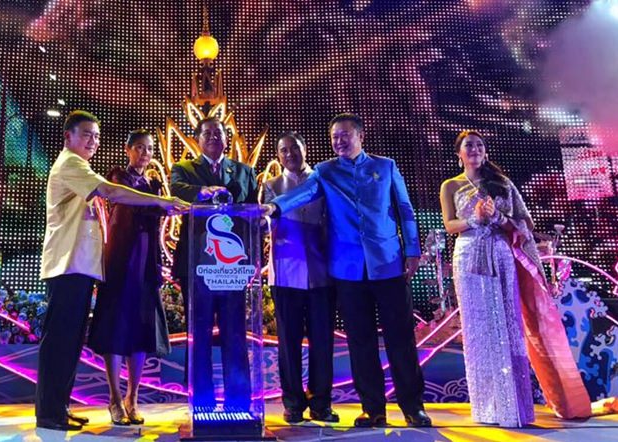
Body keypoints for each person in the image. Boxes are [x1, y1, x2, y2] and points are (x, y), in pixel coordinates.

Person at [264, 113, 431, 428]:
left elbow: (405, 209)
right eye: (334, 137)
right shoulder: (325, 171)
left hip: (388, 264)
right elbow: (304, 193)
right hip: (347, 270)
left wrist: (412, 250)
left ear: (360, 136)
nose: (339, 141)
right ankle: (373, 409)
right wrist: (275, 207)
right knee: (360, 341)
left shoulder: (385, 166)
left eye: (344, 135)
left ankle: (413, 407)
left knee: (400, 338)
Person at [37, 111, 189, 431]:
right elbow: (113, 192)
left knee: (71, 342)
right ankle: (49, 414)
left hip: (81, 266)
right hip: (68, 265)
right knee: (60, 341)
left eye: (96, 136)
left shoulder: (81, 167)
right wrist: (161, 202)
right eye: (86, 134)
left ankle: (58, 408)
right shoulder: (71, 164)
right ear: (68, 136)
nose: (93, 141)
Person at [439, 130, 592, 427]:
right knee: (477, 329)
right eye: (468, 145)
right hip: (469, 258)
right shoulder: (451, 185)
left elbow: (526, 224)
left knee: (508, 325)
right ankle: (487, 409)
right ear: (459, 153)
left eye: (480, 145)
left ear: (486, 152)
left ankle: (515, 408)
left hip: (500, 254)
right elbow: (449, 225)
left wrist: (498, 217)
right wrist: (475, 219)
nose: (474, 149)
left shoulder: (502, 183)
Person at [170, 116, 258, 411]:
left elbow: (252, 218)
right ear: (197, 139)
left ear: (226, 138)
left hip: (232, 269)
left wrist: (252, 261)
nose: (213, 137)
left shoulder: (245, 172)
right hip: (197, 267)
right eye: (206, 133)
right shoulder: (183, 170)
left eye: (218, 133)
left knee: (235, 334)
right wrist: (203, 192)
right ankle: (201, 402)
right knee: (200, 336)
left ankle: (239, 403)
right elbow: (176, 191)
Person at [87, 129, 171, 425]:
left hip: (147, 265)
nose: (145, 153)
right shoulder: (117, 178)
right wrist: (161, 203)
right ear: (127, 150)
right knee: (115, 330)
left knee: (140, 332)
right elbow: (133, 202)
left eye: (149, 149)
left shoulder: (154, 185)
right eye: (139, 147)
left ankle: (132, 399)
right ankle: (113, 398)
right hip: (120, 262)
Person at [263, 131, 337, 424]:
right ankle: (293, 403)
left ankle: (321, 403)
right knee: (288, 342)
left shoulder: (323, 180)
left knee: (322, 341)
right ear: (278, 156)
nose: (289, 154)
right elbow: (265, 225)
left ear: (305, 149)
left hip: (322, 273)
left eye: (294, 148)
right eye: (283, 150)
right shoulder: (271, 186)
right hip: (284, 273)